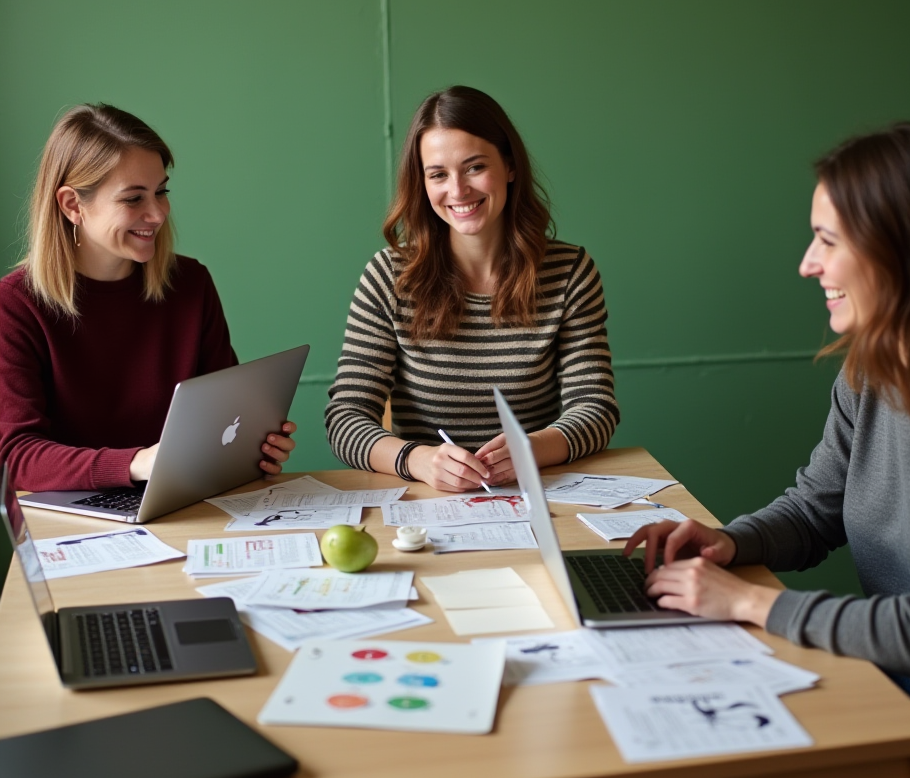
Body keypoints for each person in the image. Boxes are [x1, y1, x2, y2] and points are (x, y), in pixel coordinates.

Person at [625, 123, 910, 778]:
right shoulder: (872, 366)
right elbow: (816, 508)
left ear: (908, 251)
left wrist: (745, 603)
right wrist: (729, 543)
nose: (808, 264)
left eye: (828, 241)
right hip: (883, 688)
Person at [325, 85, 619, 491]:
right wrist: (419, 460)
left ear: (510, 166)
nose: (458, 190)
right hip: (426, 501)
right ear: (422, 183)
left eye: (475, 167)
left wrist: (529, 450)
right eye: (438, 175)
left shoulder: (570, 272)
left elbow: (596, 409)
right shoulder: (388, 276)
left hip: (540, 495)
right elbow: (345, 419)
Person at [0, 104, 296, 491]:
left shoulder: (191, 283)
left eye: (161, 191)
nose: (158, 213)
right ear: (73, 205)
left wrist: (255, 446)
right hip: (75, 520)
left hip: (183, 503)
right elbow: (18, 456)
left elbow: (225, 415)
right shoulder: (16, 306)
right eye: (133, 199)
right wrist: (137, 463)